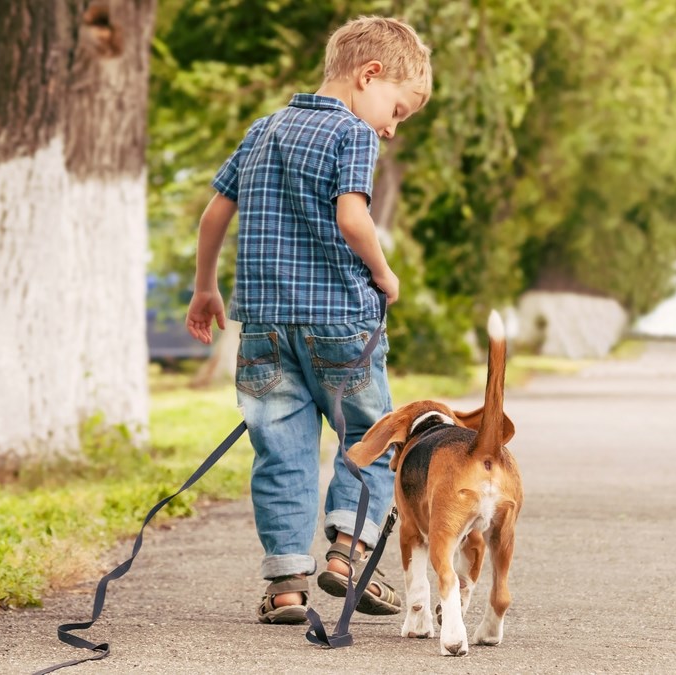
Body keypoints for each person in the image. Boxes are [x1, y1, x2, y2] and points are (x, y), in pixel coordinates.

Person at [185, 16, 432, 624]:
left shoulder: (263, 130)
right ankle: (347, 557)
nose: (392, 129)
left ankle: (286, 587)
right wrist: (383, 272)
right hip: (339, 324)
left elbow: (215, 212)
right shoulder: (353, 134)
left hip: (264, 328)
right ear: (368, 75)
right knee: (372, 439)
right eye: (396, 110)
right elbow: (353, 218)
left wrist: (204, 287)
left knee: (281, 451)